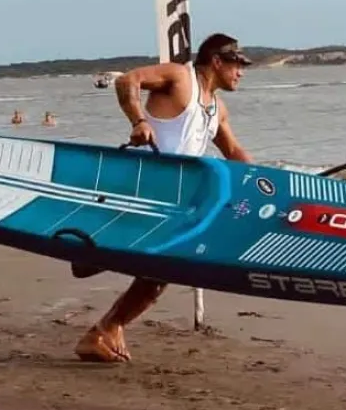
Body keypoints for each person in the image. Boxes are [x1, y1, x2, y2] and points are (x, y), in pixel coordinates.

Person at [74, 32, 255, 363]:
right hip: (147, 188)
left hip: (178, 200)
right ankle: (101, 299)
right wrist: (139, 121)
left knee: (163, 272)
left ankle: (104, 328)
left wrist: (264, 182)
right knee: (160, 268)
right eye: (237, 65)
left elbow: (232, 150)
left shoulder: (217, 108)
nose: (240, 72)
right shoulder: (178, 77)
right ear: (217, 61)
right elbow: (128, 81)